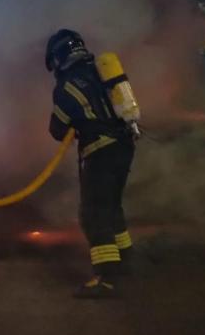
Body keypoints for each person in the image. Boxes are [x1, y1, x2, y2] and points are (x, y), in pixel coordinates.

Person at [46, 30, 138, 299]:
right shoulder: (100, 72)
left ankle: (106, 278)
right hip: (124, 146)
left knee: (92, 214)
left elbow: (57, 130)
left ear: (59, 57)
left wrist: (76, 123)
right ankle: (125, 260)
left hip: (100, 151)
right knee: (111, 206)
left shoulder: (66, 87)